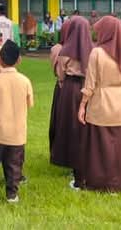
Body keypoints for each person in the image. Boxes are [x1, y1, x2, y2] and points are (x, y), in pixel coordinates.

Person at [76, 16, 121, 192]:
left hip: (101, 101)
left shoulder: (97, 53)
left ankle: (99, 181)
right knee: (120, 145)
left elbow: (90, 83)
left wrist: (82, 105)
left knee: (99, 145)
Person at [0, 40, 33, 203]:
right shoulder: (25, 81)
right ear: (18, 60)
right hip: (17, 133)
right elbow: (30, 104)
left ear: (0, 60)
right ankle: (12, 194)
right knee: (14, 165)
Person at [50, 17, 91, 176]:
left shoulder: (65, 51)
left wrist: (62, 82)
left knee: (70, 124)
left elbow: (60, 73)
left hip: (70, 88)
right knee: (86, 122)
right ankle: (86, 157)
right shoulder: (93, 50)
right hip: (87, 87)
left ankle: (70, 159)